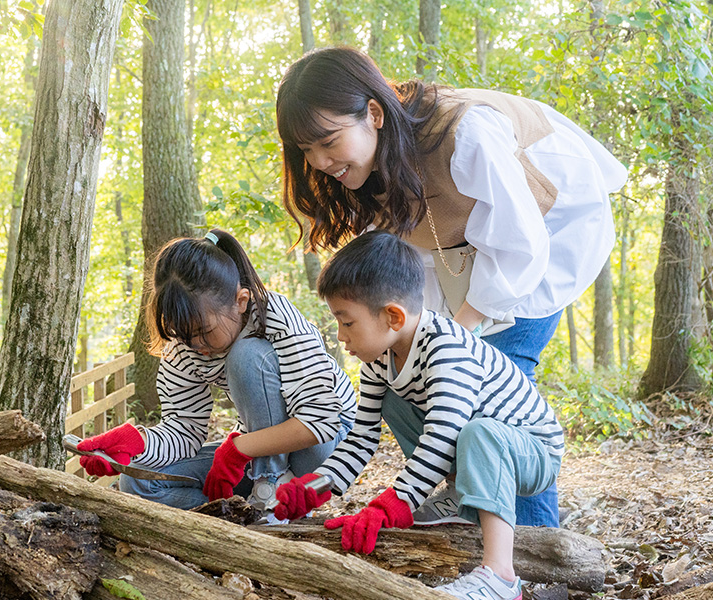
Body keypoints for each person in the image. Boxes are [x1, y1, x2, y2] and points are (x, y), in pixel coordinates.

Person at [275, 46, 627, 526]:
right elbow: (406, 273)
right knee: (420, 378)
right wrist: (315, 488)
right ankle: (468, 497)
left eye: (327, 141)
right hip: (469, 255)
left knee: (498, 395)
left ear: (373, 114)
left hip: (546, 237)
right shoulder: (368, 172)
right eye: (305, 150)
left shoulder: (465, 133)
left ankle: (535, 542)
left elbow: (520, 245)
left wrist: (455, 338)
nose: (318, 161)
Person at [274, 231, 564, 600]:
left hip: (532, 451)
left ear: (392, 316)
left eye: (347, 322)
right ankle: (460, 494)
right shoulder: (380, 359)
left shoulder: (446, 348)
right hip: (477, 445)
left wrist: (395, 502)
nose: (341, 336)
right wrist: (316, 486)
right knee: (394, 402)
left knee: (479, 432)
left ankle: (500, 576)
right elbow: (362, 437)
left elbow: (444, 433)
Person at [76, 229, 356, 513]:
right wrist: (139, 443)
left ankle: (269, 490)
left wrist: (238, 450)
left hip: (324, 449)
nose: (196, 345)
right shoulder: (183, 344)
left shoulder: (275, 316)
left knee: (246, 356)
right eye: (184, 335)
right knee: (138, 481)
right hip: (258, 448)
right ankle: (240, 515)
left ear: (241, 301)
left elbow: (322, 420)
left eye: (204, 331)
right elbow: (184, 431)